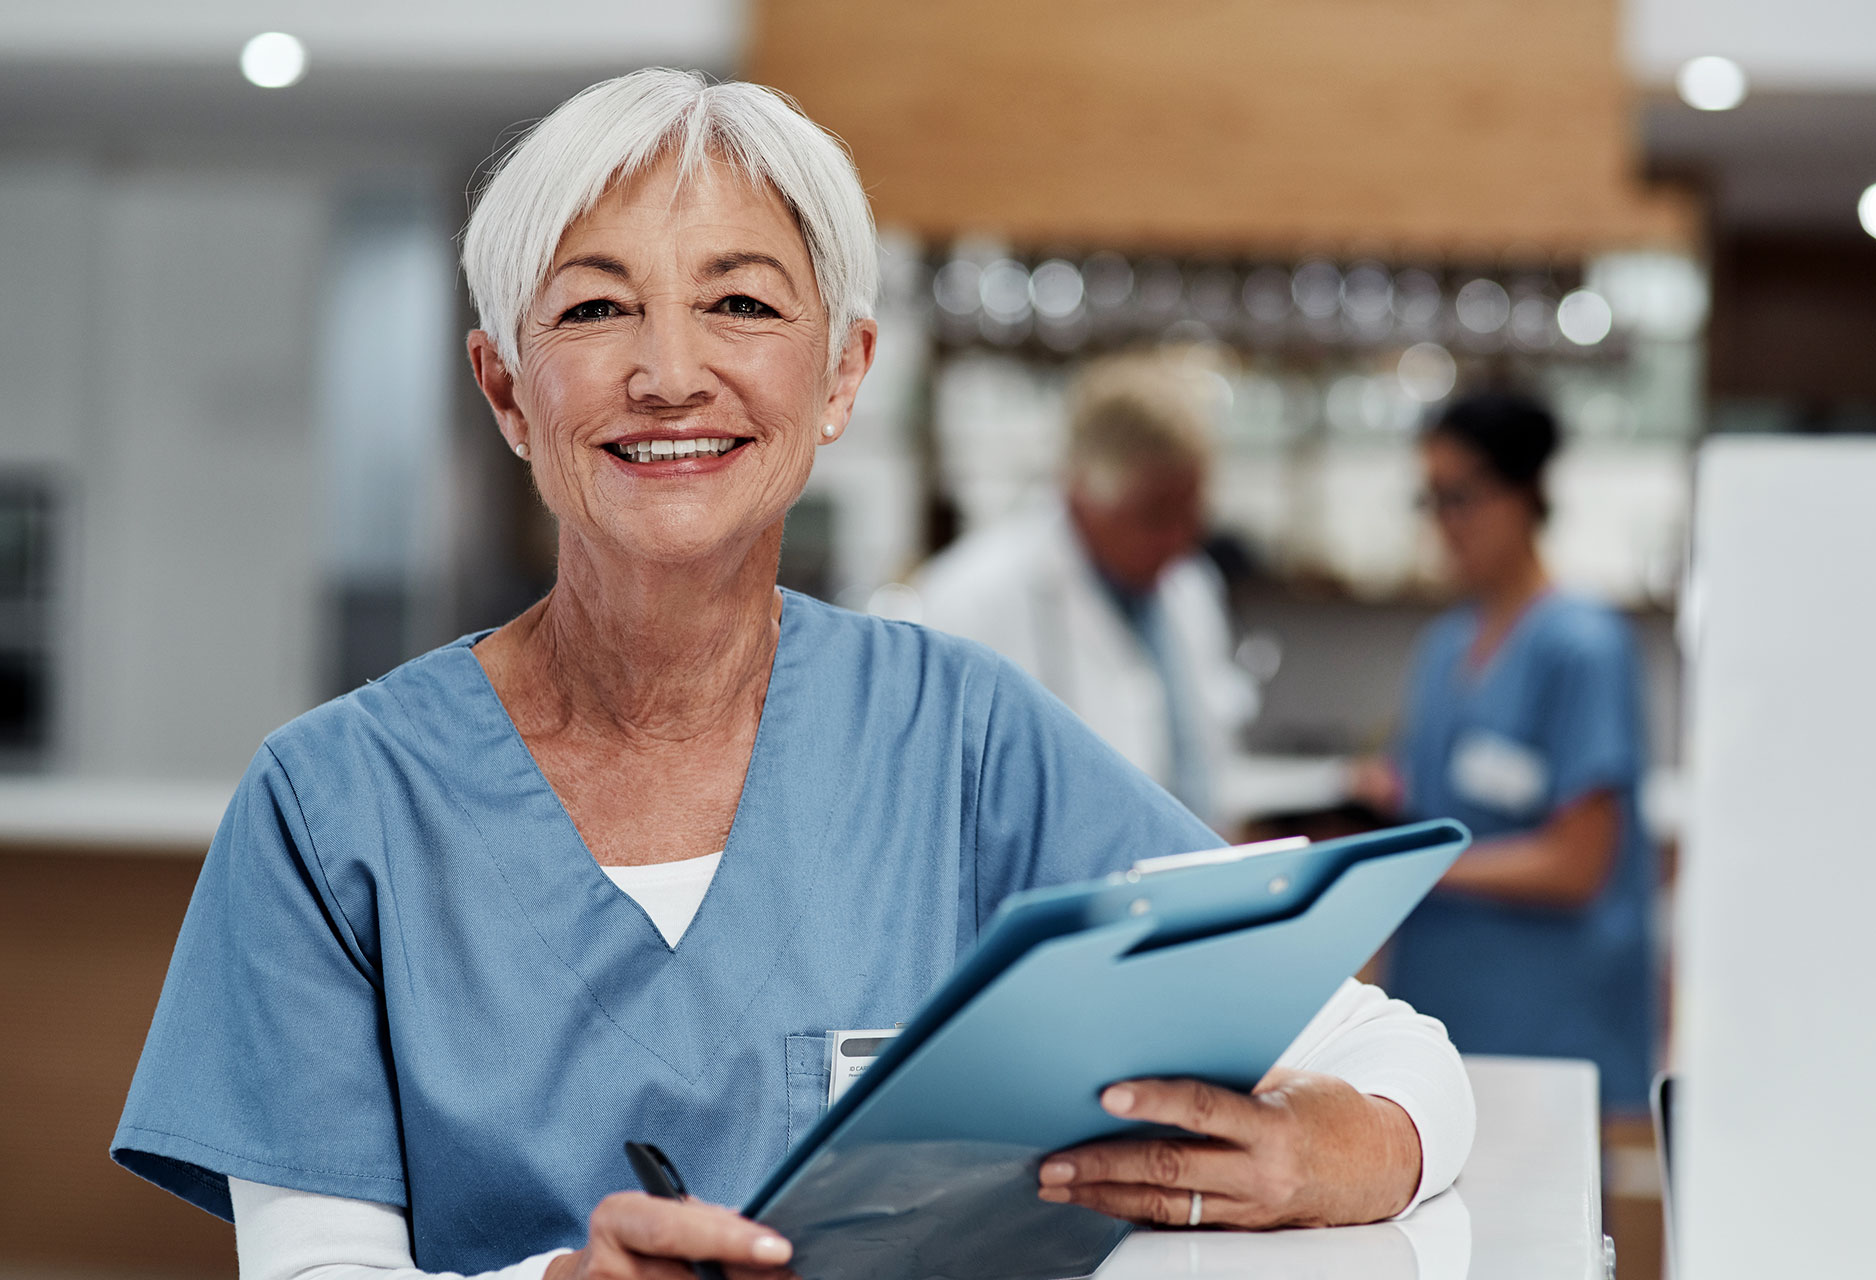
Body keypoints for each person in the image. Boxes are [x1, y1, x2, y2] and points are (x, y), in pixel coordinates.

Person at [112, 69, 1474, 1280]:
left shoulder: (960, 736)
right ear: (508, 390)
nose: (670, 372)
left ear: (840, 374)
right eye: (595, 307)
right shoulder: (331, 807)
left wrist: (1336, 1151)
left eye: (741, 303)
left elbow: (1390, 1049)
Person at [1353, 392, 1654, 1112]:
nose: (1444, 523)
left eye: (1460, 497)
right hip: (1441, 1015)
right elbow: (1441, 797)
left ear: (1525, 494)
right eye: (1430, 500)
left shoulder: (1580, 648)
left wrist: (1416, 868)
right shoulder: (1445, 648)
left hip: (1549, 1023)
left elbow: (1579, 864)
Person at [915, 355, 1254, 828]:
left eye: (1192, 515)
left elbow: (1210, 764)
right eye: (1156, 516)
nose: (1179, 539)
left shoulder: (1190, 587)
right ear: (1083, 493)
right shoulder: (970, 598)